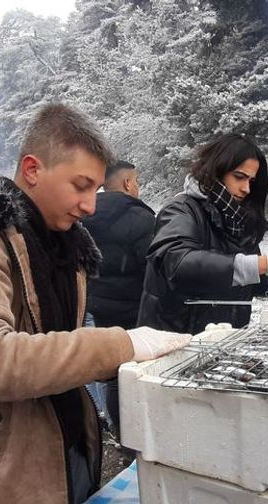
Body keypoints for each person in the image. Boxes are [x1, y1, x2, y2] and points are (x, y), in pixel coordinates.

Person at [0, 103, 191, 504]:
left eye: (95, 189)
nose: (91, 206)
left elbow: (59, 348)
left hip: (59, 456)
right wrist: (122, 345)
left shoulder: (65, 244)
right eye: (80, 186)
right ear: (32, 170)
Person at [137, 133, 268, 334]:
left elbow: (247, 279)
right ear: (216, 170)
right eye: (239, 177)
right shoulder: (181, 210)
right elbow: (177, 264)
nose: (246, 189)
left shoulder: (238, 220)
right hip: (174, 340)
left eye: (251, 182)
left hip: (223, 338)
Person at [82, 159, 155, 442]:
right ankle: (125, 433)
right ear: (127, 183)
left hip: (89, 304)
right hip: (127, 309)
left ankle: (103, 418)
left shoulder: (81, 214)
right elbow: (153, 269)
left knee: (94, 366)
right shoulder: (140, 218)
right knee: (120, 372)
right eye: (135, 181)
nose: (136, 186)